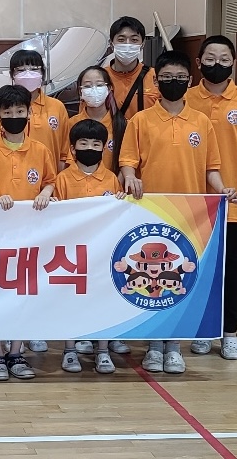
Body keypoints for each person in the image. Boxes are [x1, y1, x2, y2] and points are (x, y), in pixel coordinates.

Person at [119, 50, 237, 375]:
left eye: (180, 78)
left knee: (177, 279)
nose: (173, 82)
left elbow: (212, 168)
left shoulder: (201, 122)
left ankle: (173, 346)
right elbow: (128, 162)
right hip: (150, 211)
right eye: (167, 78)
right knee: (150, 279)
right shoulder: (140, 121)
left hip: (189, 212)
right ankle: (152, 345)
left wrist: (223, 189)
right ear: (156, 82)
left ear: (189, 80)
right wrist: (130, 177)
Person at [186, 35, 237, 361]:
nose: (216, 64)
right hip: (194, 200)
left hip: (233, 199)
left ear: (233, 62)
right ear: (198, 63)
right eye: (210, 58)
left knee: (231, 267)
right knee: (196, 267)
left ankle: (230, 332)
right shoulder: (186, 98)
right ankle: (203, 329)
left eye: (223, 59)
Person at [0, 85, 55, 381]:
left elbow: (49, 181)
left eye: (20, 111)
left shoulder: (41, 150)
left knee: (24, 292)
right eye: (8, 112)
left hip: (31, 235)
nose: (15, 116)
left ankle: (16, 352)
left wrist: (45, 193)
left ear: (29, 113)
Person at [61, 66, 133, 357]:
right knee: (76, 288)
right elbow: (64, 165)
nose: (93, 90)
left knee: (106, 285)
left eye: (98, 84)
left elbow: (127, 160)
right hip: (75, 236)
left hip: (105, 222)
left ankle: (108, 336)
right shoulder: (71, 123)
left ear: (109, 88)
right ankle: (77, 337)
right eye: (86, 85)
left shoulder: (121, 123)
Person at [52, 118, 126, 374]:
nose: (90, 148)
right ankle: (70, 349)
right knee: (69, 301)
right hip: (72, 253)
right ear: (72, 148)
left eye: (96, 144)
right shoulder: (62, 179)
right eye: (83, 143)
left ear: (104, 147)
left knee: (103, 299)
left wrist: (121, 201)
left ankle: (102, 350)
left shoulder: (112, 180)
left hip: (102, 252)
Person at [0, 49, 69, 177]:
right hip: (8, 180)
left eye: (34, 69)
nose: (28, 74)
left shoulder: (57, 107)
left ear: (43, 74)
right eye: (21, 70)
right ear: (12, 75)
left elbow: (64, 152)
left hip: (48, 181)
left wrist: (55, 181)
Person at [105, 16, 160, 120]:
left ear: (143, 44)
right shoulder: (100, 78)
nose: (127, 44)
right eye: (121, 40)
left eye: (134, 40)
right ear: (111, 44)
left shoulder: (155, 76)